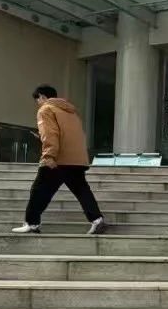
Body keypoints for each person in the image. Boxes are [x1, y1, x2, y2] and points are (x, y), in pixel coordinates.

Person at [11, 85, 107, 235]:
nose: (38, 103)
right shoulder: (71, 112)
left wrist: (48, 155)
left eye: (37, 100)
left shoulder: (45, 110)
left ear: (42, 96)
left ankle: (31, 223)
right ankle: (97, 219)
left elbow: (50, 134)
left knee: (38, 190)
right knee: (81, 190)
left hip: (58, 159)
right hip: (76, 159)